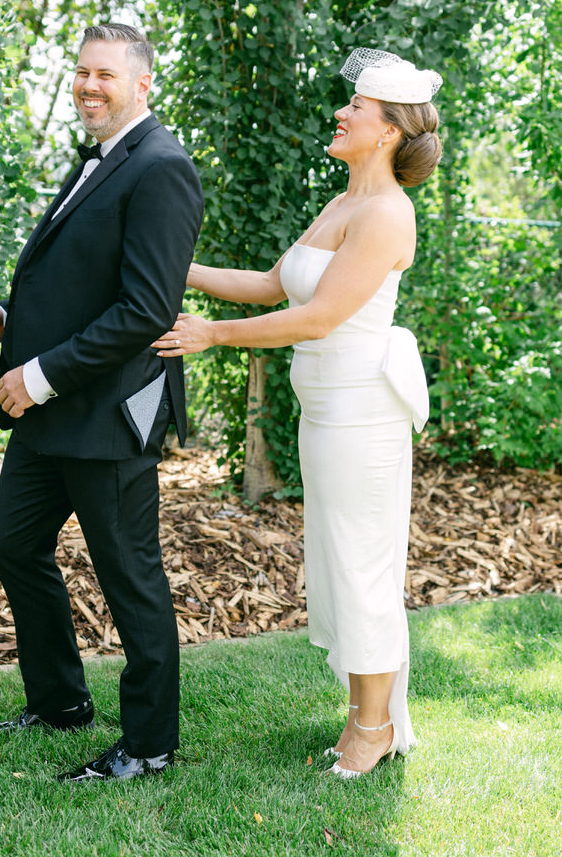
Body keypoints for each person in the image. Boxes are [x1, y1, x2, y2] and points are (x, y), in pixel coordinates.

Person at [153, 48, 440, 778]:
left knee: (362, 568)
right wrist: (166, 267)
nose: (341, 114)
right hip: (326, 414)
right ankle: (361, 717)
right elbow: (271, 283)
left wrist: (209, 335)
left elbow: (316, 318)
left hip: (361, 418)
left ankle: (374, 730)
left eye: (357, 110)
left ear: (387, 133)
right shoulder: (343, 201)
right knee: (338, 565)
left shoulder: (385, 214)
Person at [0, 23, 203, 783]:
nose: (88, 85)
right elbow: (80, 283)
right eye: (80, 72)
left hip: (105, 418)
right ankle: (62, 702)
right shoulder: (99, 161)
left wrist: (37, 376)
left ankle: (150, 745)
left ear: (142, 85)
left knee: (130, 577)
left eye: (105, 74)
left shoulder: (161, 167)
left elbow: (144, 308)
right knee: (13, 546)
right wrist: (8, 318)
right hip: (51, 420)